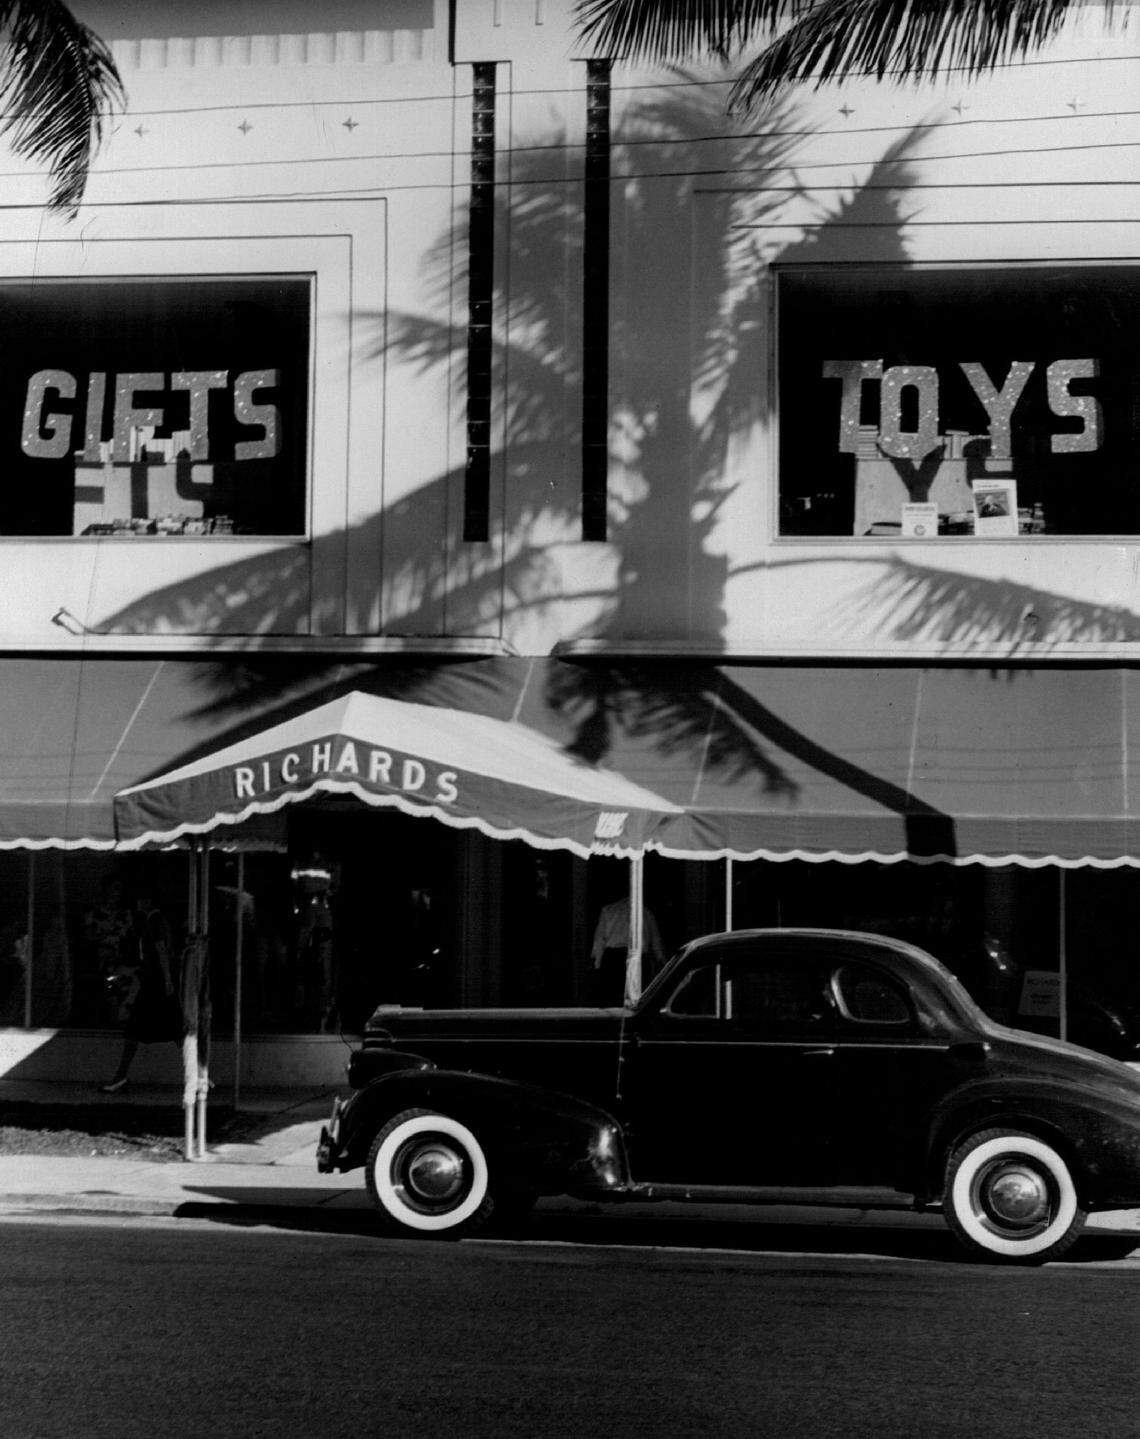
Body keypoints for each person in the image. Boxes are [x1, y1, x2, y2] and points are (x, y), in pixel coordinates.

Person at [99, 890, 181, 1093]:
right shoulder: (154, 921)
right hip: (154, 981)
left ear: (147, 901)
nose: (137, 903)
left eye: (140, 899)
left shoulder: (154, 921)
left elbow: (161, 951)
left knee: (140, 1029)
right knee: (171, 1028)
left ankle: (120, 1077)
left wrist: (167, 980)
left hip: (155, 983)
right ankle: (198, 1074)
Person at [590, 893, 664, 1006]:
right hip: (637, 957)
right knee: (637, 1000)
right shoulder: (645, 912)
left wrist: (597, 965)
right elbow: (655, 941)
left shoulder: (608, 911)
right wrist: (661, 961)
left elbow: (600, 939)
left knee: (612, 998)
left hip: (614, 958)